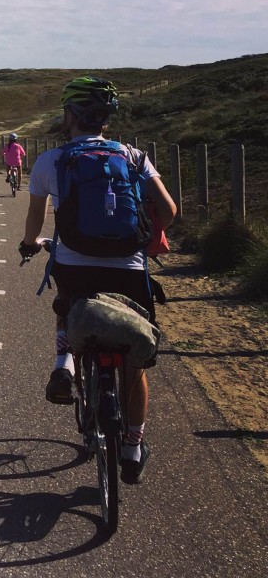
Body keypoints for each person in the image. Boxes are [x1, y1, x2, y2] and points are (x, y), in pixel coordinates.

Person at [19, 76, 176, 484]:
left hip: (76, 267)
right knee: (134, 357)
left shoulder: (51, 161)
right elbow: (170, 211)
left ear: (69, 115)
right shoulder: (134, 157)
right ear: (106, 118)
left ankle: (64, 366)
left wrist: (29, 243)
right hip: (129, 269)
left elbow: (36, 218)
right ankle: (133, 445)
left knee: (66, 306)